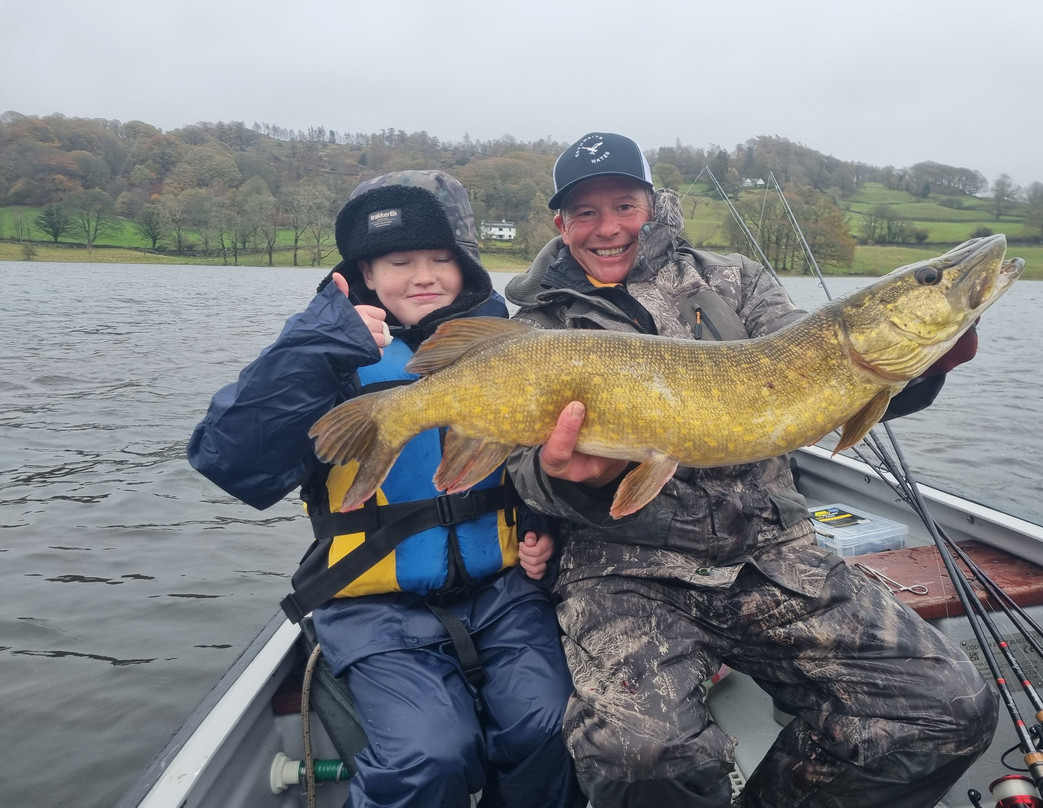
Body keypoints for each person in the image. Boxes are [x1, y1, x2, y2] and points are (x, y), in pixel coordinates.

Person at [503, 133, 999, 808]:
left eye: (624, 203)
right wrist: (571, 480)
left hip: (770, 555)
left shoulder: (734, 279)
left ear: (653, 203)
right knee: (637, 752)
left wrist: (919, 370)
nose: (609, 226)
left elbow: (831, 380)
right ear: (560, 224)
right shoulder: (532, 330)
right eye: (585, 213)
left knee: (948, 706)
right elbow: (518, 475)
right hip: (625, 572)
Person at [188, 170, 584, 808]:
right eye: (400, 261)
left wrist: (545, 528)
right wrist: (312, 348)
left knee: (551, 725)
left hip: (505, 594)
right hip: (375, 609)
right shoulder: (322, 355)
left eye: (441, 260)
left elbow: (544, 464)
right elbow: (230, 461)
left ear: (467, 269)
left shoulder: (517, 349)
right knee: (430, 753)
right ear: (366, 275)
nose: (423, 275)